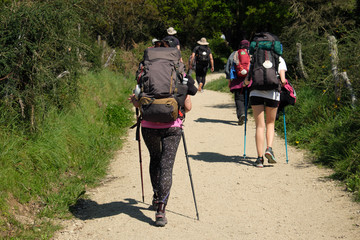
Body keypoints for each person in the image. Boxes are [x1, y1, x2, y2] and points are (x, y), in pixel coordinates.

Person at [129, 40, 197, 227]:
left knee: (155, 159)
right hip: (172, 126)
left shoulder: (145, 67)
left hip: (149, 123)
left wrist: (137, 102)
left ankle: (156, 195)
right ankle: (161, 210)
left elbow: (137, 99)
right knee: (167, 166)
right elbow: (188, 106)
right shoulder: (179, 71)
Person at [248, 54, 287, 168]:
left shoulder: (254, 58)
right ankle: (269, 149)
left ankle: (259, 159)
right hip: (272, 93)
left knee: (260, 126)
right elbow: (283, 80)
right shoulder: (279, 59)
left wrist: (245, 84)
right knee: (270, 123)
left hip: (255, 92)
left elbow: (248, 78)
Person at [225, 40, 251, 125]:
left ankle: (241, 114)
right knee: (246, 99)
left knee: (239, 99)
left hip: (237, 82)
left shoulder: (234, 54)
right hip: (249, 81)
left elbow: (228, 68)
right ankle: (245, 115)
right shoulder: (251, 54)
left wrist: (229, 81)